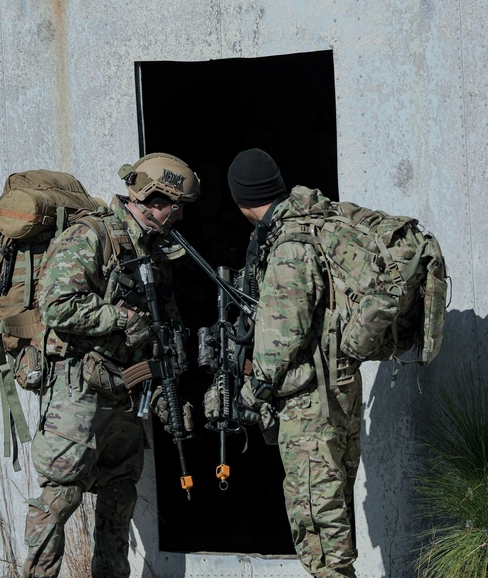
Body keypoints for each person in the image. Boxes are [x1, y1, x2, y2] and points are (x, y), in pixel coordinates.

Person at [22, 153, 200, 578]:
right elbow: (56, 306)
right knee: (60, 496)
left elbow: (162, 329)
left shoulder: (155, 252)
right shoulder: (92, 235)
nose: (179, 218)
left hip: (124, 390)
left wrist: (165, 392)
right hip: (76, 389)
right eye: (178, 208)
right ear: (160, 200)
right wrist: (120, 319)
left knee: (120, 495)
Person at [228, 148, 362, 578]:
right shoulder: (316, 225)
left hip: (310, 405)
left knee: (318, 525)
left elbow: (280, 337)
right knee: (334, 508)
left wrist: (252, 391)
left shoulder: (289, 246)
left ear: (241, 200)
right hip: (339, 387)